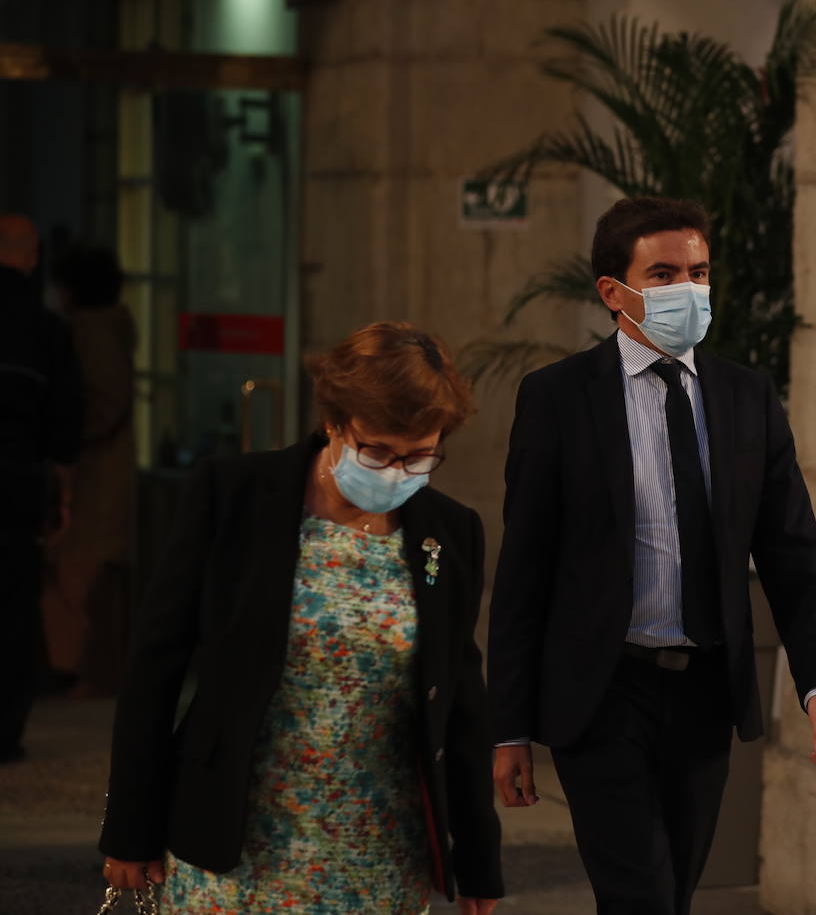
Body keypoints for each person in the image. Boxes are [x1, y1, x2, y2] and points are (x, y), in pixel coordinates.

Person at [487, 196, 816, 915]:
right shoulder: (559, 398)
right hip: (602, 689)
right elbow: (524, 571)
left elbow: (794, 556)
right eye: (663, 274)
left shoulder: (747, 398)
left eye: (699, 271)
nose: (687, 289)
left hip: (705, 692)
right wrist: (510, 728)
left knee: (672, 892)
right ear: (613, 292)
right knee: (642, 897)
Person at [99, 323, 503, 914]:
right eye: (377, 451)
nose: (396, 472)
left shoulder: (450, 532)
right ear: (335, 423)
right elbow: (153, 671)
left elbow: (461, 705)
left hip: (381, 851)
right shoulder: (233, 496)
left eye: (419, 456)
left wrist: (478, 862)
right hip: (238, 841)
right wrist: (130, 829)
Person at [0, 214, 84, 763]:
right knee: (12, 607)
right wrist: (62, 494)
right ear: (30, 257)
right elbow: (64, 425)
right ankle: (5, 731)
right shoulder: (45, 329)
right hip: (16, 483)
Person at [43, 243, 136, 698]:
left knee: (80, 574)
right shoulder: (108, 329)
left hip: (94, 474)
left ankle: (80, 671)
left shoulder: (91, 335)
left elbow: (104, 403)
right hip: (105, 472)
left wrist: (65, 441)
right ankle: (92, 670)